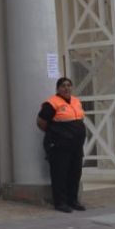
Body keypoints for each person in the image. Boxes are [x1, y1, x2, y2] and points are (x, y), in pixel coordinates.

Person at [36, 77, 87, 212]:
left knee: (75, 174)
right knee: (60, 174)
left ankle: (73, 201)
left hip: (76, 146)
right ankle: (60, 203)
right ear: (58, 88)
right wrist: (55, 134)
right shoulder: (52, 103)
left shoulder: (76, 101)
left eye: (69, 85)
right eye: (63, 86)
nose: (66, 88)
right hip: (59, 146)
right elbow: (41, 122)